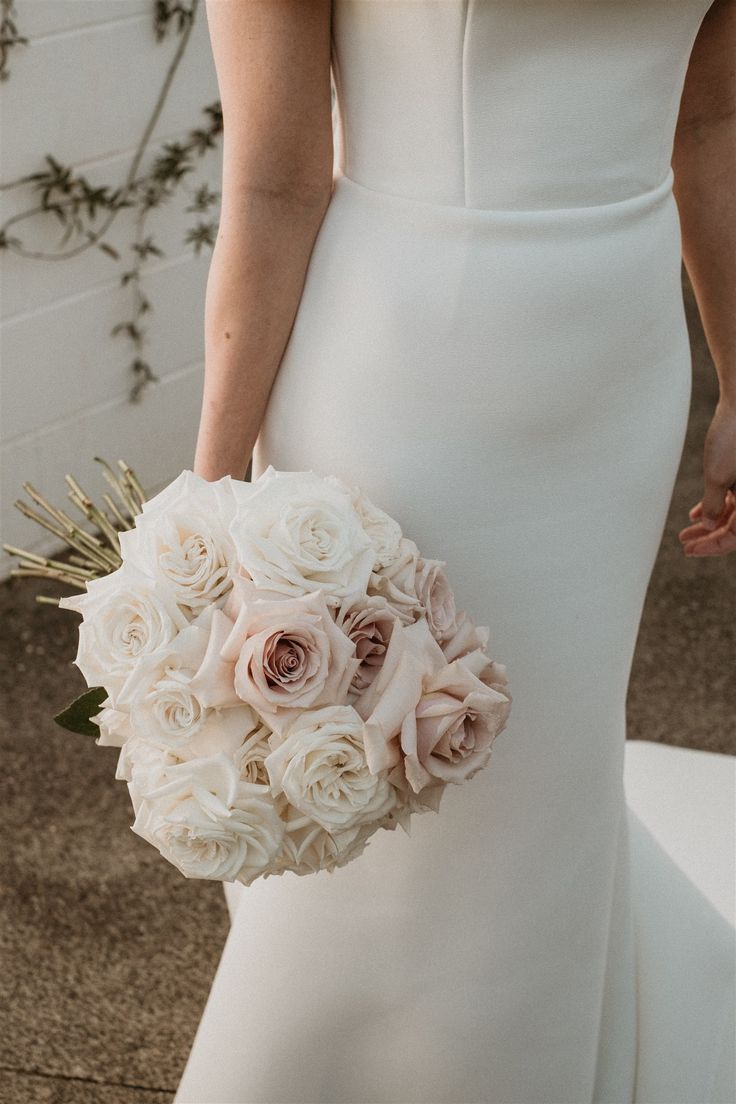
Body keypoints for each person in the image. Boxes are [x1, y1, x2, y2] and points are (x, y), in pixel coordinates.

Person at [176, 1, 736, 1101]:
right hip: (400, 377)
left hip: (612, 385)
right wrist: (208, 502)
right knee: (375, 764)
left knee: (549, 762)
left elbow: (710, 126)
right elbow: (275, 180)